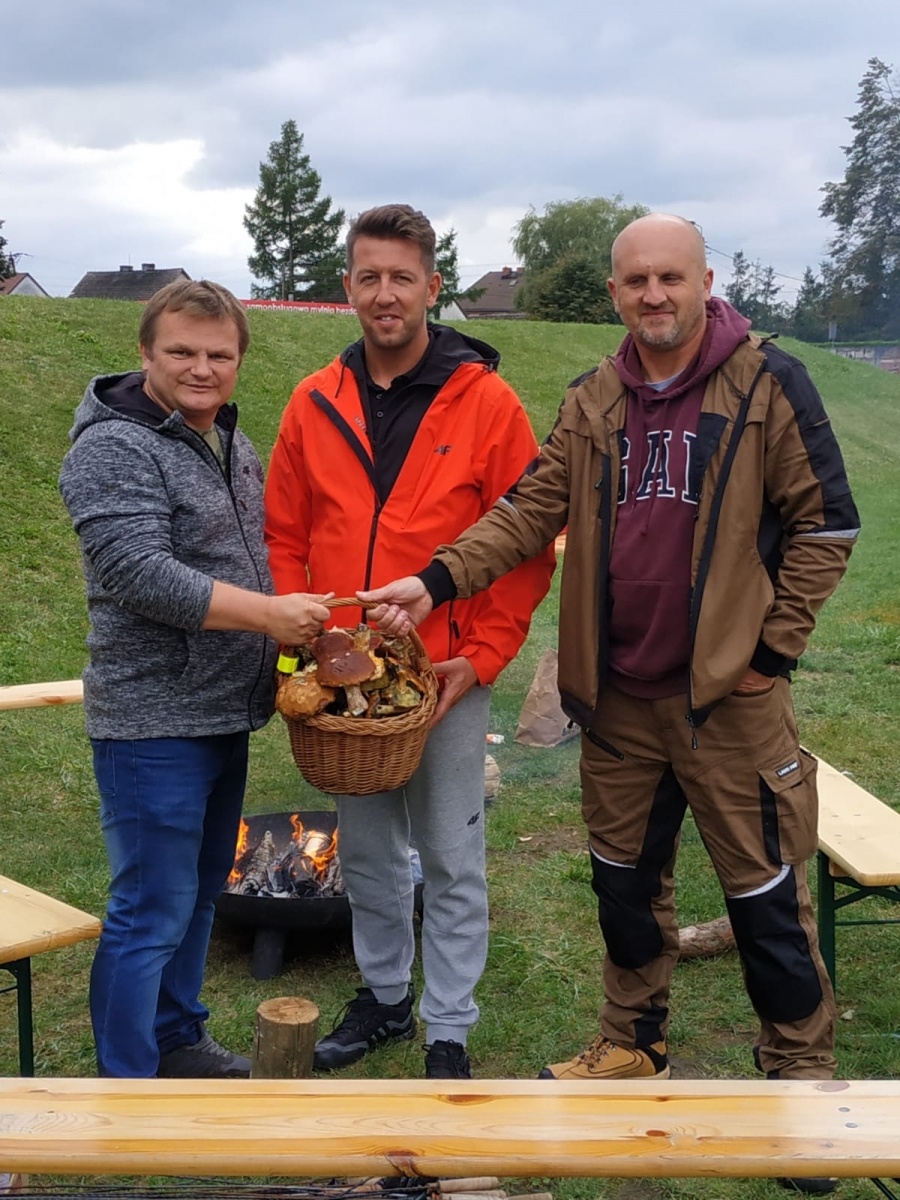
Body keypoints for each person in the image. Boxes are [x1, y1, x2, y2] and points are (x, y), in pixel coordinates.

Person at [363, 214, 860, 1114]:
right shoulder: (595, 399)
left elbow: (829, 524)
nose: (654, 296)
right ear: (614, 293)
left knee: (766, 897)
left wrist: (771, 654)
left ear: (705, 281)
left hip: (728, 703)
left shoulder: (768, 383)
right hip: (619, 699)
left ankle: (801, 1077)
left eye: (672, 278)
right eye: (636, 282)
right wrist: (435, 582)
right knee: (624, 886)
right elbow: (525, 513)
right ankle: (634, 1043)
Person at [264, 204, 555, 1079]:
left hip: (447, 676)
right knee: (366, 851)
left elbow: (528, 540)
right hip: (348, 686)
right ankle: (386, 998)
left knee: (452, 852)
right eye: (368, 276)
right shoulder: (315, 400)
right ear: (347, 287)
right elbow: (284, 532)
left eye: (402, 277)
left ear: (432, 287)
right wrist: (301, 636)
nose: (384, 294)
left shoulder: (488, 402)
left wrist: (487, 655)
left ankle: (449, 1028)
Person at [59, 279, 331, 1079]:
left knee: (202, 894)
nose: (202, 368)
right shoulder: (113, 447)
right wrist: (271, 617)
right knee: (149, 910)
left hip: (219, 712)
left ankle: (177, 1038)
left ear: (240, 360)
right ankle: (127, 1083)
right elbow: (140, 573)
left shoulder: (225, 441)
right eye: (182, 351)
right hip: (152, 720)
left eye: (219, 354)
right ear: (146, 352)